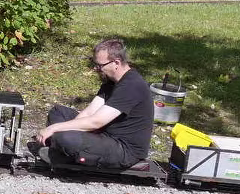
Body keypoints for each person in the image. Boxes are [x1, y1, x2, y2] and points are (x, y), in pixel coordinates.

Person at [36, 37, 154, 168]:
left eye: (100, 65)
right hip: (104, 134)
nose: (96, 68)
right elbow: (89, 112)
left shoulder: (131, 85)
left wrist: (54, 128)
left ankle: (62, 151)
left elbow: (96, 122)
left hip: (124, 149)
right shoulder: (111, 81)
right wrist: (69, 129)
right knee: (58, 112)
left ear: (116, 63)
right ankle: (62, 149)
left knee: (64, 137)